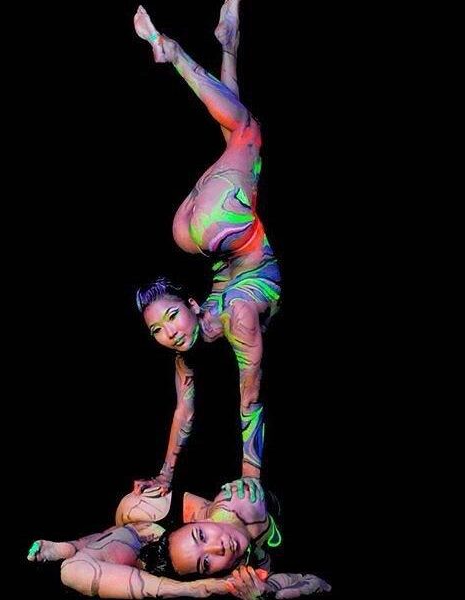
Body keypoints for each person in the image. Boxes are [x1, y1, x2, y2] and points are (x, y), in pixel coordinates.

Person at [132, 0, 281, 497]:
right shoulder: (236, 318)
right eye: (158, 330)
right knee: (238, 132)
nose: (169, 333)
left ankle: (180, 52)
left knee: (244, 131)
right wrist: (167, 477)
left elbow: (237, 402)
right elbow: (221, 403)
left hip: (217, 235)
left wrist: (248, 481)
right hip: (213, 235)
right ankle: (225, 44)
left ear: (192, 305)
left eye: (170, 318)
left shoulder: (206, 334)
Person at [27, 478, 330, 598]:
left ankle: (74, 546)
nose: (218, 547)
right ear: (212, 574)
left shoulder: (236, 502)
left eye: (202, 535)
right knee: (79, 564)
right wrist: (262, 596)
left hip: (250, 509)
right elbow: (317, 583)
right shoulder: (244, 575)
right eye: (205, 563)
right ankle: (73, 547)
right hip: (160, 545)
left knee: (132, 512)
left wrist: (164, 473)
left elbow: (250, 403)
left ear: (197, 521)